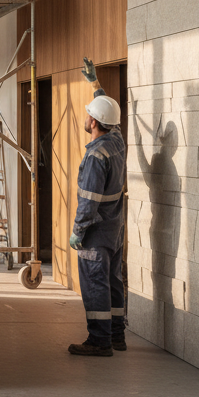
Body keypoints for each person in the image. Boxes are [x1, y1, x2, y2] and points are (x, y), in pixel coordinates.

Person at [68, 57, 127, 357]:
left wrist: (78, 232)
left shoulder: (95, 157)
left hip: (95, 231)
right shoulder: (117, 142)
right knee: (114, 282)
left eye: (89, 114)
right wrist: (95, 84)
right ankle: (117, 335)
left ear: (93, 123)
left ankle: (99, 341)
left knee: (95, 285)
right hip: (114, 231)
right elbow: (109, 116)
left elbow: (88, 202)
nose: (87, 117)